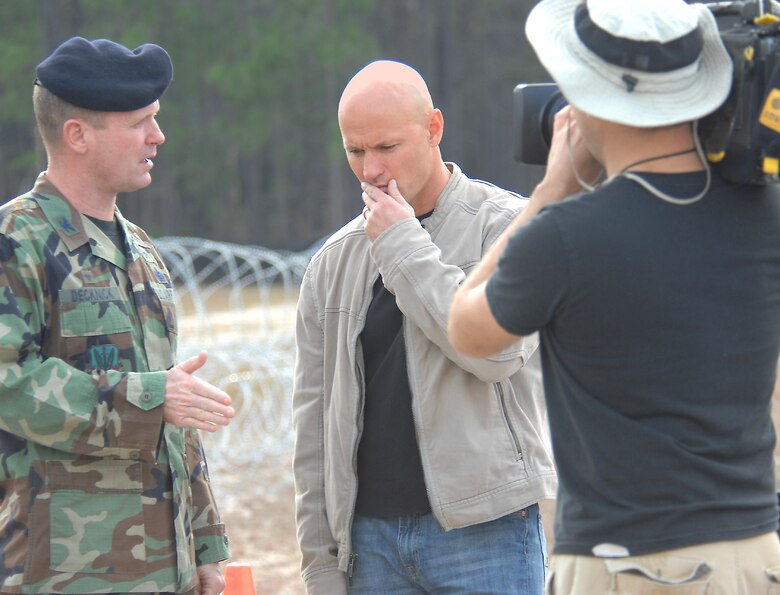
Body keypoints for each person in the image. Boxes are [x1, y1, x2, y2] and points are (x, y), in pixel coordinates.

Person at [447, 0, 780, 593]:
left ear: (588, 97)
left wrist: (551, 192)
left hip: (626, 562)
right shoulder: (765, 216)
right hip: (753, 553)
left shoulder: (564, 236)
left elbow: (467, 329)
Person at [291, 59, 557, 594]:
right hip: (369, 548)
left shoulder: (507, 226)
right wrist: (319, 563)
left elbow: (495, 354)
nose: (370, 170)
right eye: (355, 151)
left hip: (487, 534)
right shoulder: (334, 263)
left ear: (434, 128)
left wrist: (403, 246)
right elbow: (313, 425)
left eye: (386, 148)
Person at [0, 37, 236, 594]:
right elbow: (7, 382)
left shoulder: (142, 252)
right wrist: (145, 397)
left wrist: (205, 544)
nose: (158, 136)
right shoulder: (17, 242)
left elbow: (174, 406)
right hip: (66, 573)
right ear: (77, 135)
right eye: (139, 123)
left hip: (164, 568)